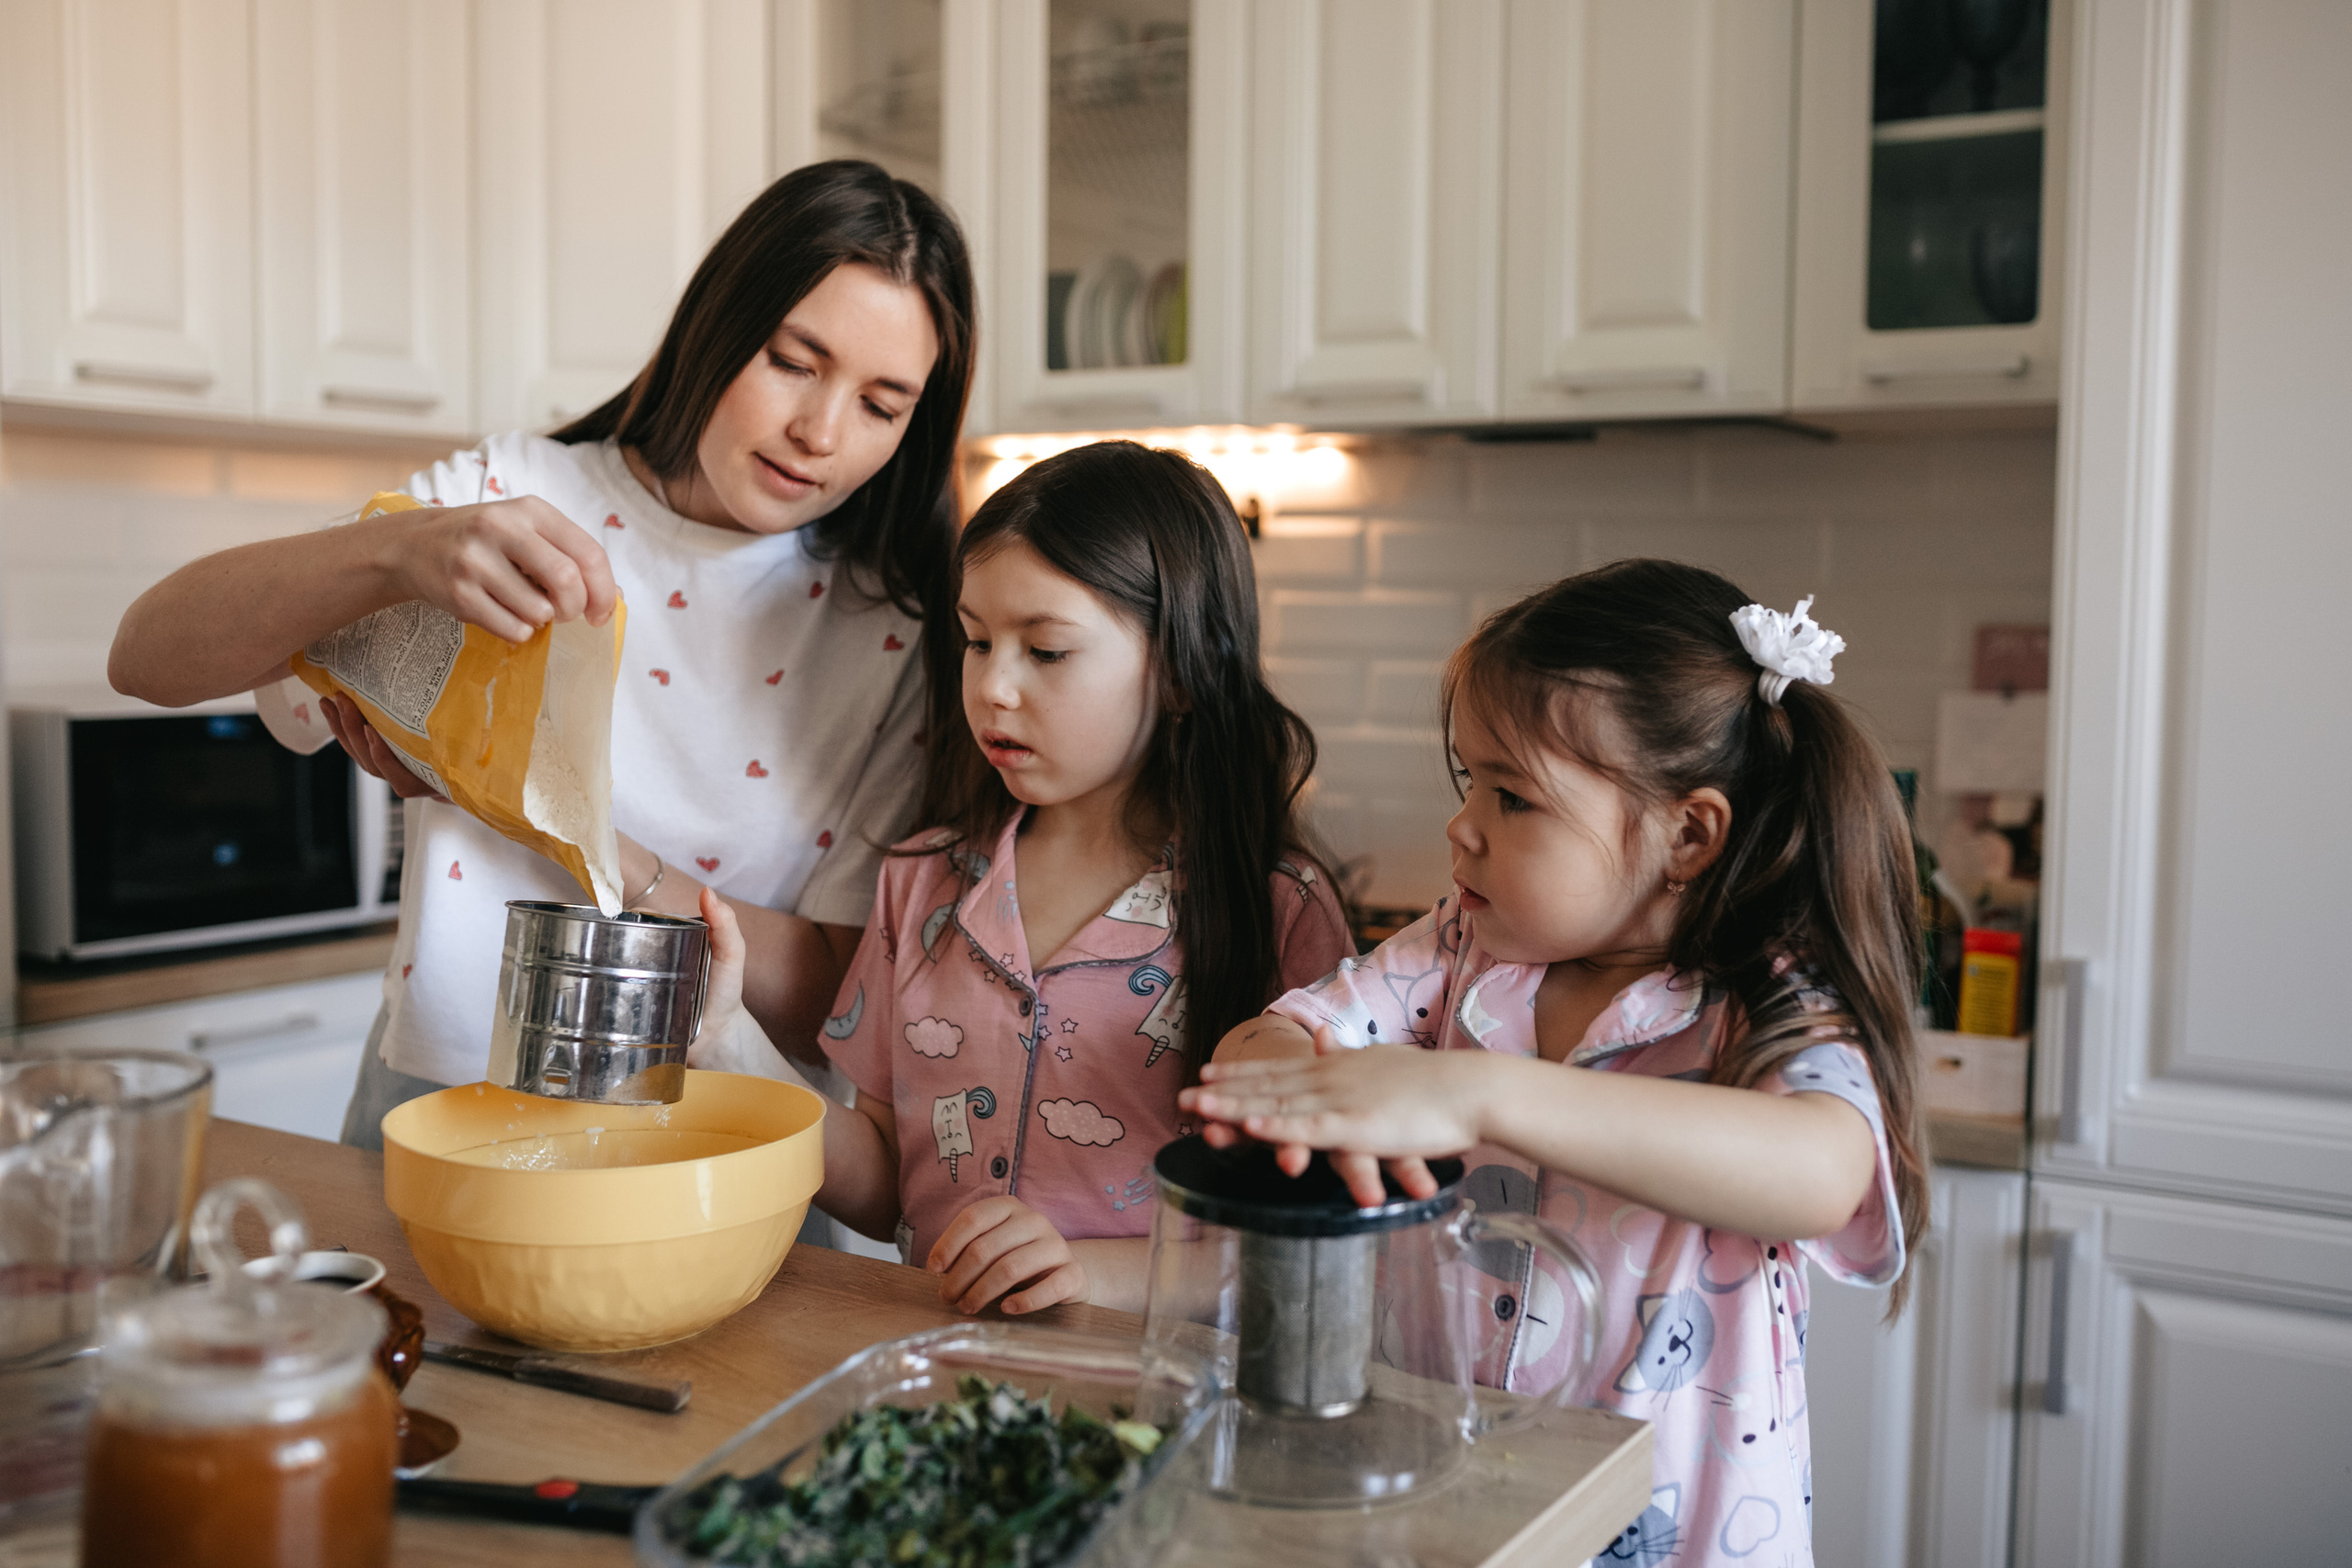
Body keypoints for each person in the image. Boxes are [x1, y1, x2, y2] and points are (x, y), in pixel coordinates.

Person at [107, 161, 976, 1146]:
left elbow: (838, 990)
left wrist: (578, 834)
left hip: (724, 1133)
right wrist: (394, 551)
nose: (820, 432)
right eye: (793, 360)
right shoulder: (506, 496)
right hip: (448, 1100)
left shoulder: (899, 625)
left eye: (881, 404)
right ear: (719, 324)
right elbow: (145, 658)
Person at [1181, 561, 1928, 1568]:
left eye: (1514, 797)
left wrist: (1480, 1089)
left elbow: (1817, 1172)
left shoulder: (1768, 997)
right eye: (1468, 780)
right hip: (1448, 1513)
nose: (1463, 825)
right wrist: (1297, 1093)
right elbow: (1277, 1033)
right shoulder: (1457, 948)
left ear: (1687, 836)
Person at [701, 441, 1355, 1314]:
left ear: (1183, 673)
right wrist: (733, 1050)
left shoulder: (1280, 908)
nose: (994, 687)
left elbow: (1319, 1235)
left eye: (1045, 650)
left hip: (1156, 1400)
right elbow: (886, 1182)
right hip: (939, 1378)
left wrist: (1092, 1274)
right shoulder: (921, 882)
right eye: (976, 641)